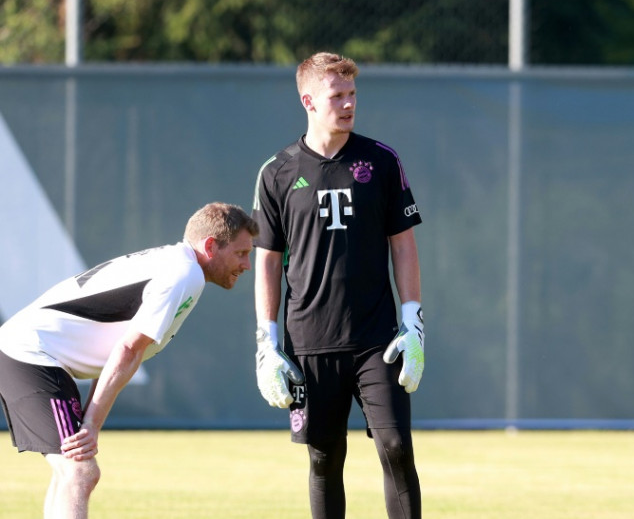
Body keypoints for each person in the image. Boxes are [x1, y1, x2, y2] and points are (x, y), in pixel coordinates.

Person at [0, 202, 258, 519]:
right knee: (79, 471)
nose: (248, 265)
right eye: (242, 253)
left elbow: (115, 350)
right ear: (209, 246)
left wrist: (92, 422)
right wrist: (91, 425)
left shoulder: (176, 265)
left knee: (72, 472)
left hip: (32, 353)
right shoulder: (184, 273)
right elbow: (127, 350)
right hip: (30, 354)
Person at [251, 51, 425, 519]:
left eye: (352, 94)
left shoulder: (382, 161)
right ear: (308, 100)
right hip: (309, 340)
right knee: (325, 457)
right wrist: (266, 344)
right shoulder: (277, 172)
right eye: (337, 95)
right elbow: (267, 262)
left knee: (395, 445)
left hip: (377, 339)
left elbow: (403, 246)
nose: (348, 104)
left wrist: (413, 323)